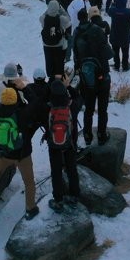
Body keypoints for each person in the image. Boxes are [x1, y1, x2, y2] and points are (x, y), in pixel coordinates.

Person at [0, 88, 39, 221]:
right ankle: (31, 208)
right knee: (29, 182)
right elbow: (35, 103)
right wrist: (25, 89)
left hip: (4, 153)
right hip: (22, 155)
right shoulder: (21, 113)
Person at [74, 8, 113, 145]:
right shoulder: (97, 30)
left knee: (88, 109)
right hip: (102, 74)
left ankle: (87, 135)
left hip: (86, 77)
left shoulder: (76, 32)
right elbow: (109, 54)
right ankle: (102, 134)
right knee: (102, 109)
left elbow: (76, 57)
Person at [45, 78, 82, 211]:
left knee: (56, 172)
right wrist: (69, 86)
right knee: (72, 169)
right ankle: (74, 195)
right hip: (70, 143)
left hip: (54, 145)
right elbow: (79, 97)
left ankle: (58, 200)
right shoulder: (72, 105)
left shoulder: (48, 107)